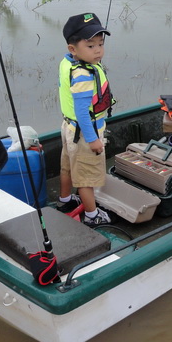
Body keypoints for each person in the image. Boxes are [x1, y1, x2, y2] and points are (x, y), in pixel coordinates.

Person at [58, 12, 114, 227]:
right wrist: (93, 140)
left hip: (70, 128)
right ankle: (92, 215)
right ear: (73, 49)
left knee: (68, 168)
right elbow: (83, 112)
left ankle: (64, 201)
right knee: (86, 178)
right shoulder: (83, 74)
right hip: (84, 133)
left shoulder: (68, 62)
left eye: (100, 44)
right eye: (90, 46)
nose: (98, 50)